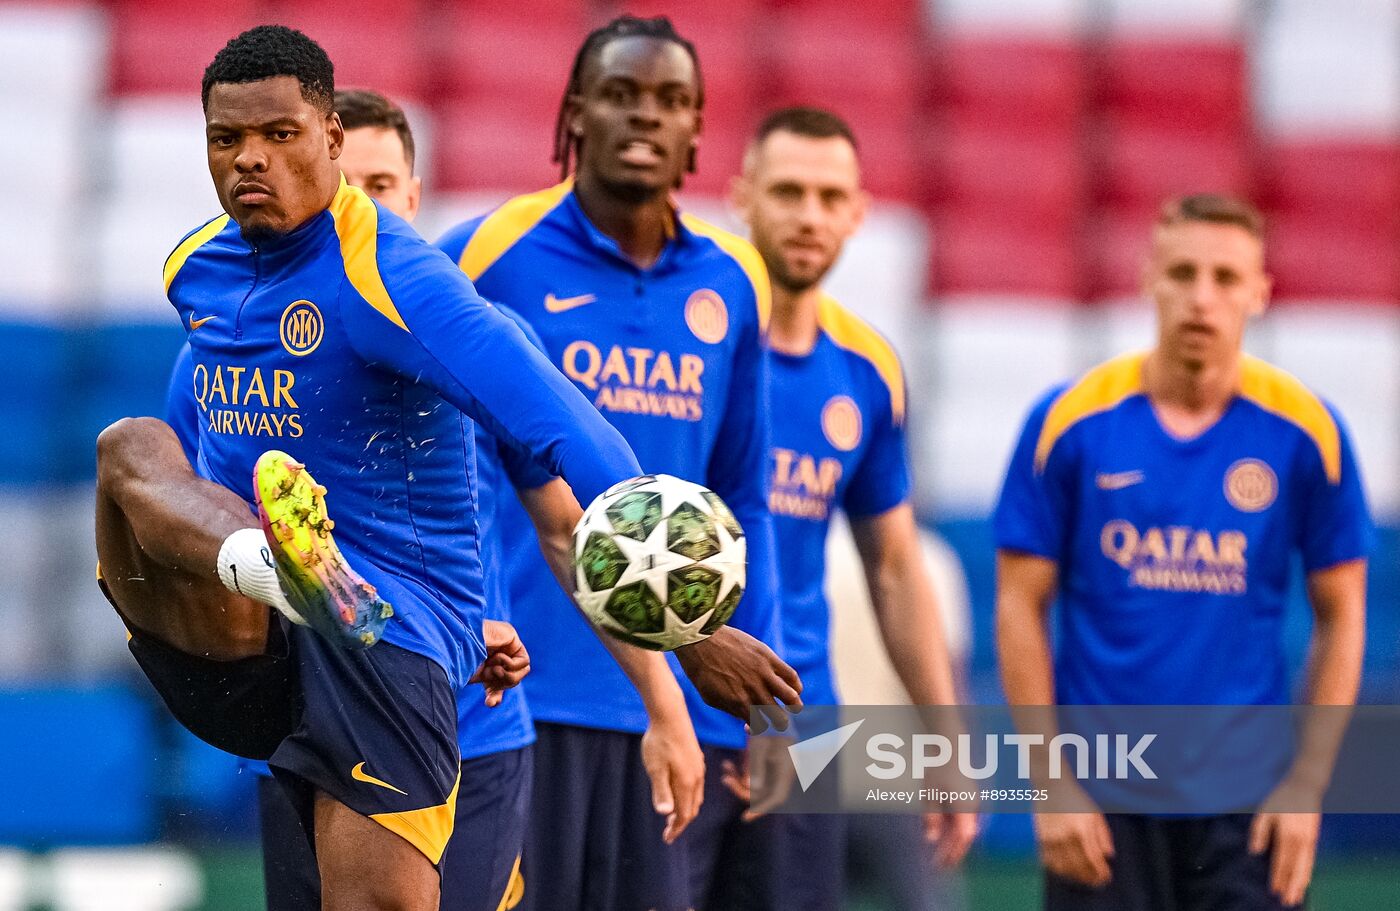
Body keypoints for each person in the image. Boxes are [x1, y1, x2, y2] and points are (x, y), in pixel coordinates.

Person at [97, 25, 700, 911]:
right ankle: (283, 570)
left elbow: (559, 432)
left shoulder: (399, 280)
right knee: (129, 448)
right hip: (272, 641)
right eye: (228, 141)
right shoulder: (201, 273)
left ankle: (307, 578)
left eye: (279, 136)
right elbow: (187, 476)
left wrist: (687, 624)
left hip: (406, 658)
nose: (250, 161)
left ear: (340, 148)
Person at [436, 15, 801, 911]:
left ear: (697, 132)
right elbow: (448, 473)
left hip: (675, 699)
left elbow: (744, 497)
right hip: (516, 696)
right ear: (574, 112)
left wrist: (768, 672)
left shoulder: (733, 283)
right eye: (622, 94)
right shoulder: (486, 256)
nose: (646, 117)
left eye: (671, 101)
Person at [170, 87, 540, 911]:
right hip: (308, 714)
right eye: (346, 186)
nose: (356, 207)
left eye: (380, 186)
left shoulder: (476, 336)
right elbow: (198, 499)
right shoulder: (234, 339)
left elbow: (557, 524)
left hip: (470, 723)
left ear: (414, 197)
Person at [995, 194, 1370, 910]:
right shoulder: (1067, 423)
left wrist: (1307, 786)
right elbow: (1018, 604)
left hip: (1247, 810)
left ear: (1260, 292)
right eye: (1183, 272)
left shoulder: (1307, 432)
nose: (1202, 297)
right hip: (1101, 806)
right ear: (1148, 278)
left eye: (1226, 278)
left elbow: (1343, 611)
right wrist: (1049, 786)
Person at [686, 106, 976, 911]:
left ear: (857, 211)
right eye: (787, 191)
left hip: (803, 732)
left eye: (827, 195)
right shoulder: (688, 337)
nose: (809, 215)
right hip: (676, 708)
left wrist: (947, 746)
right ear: (743, 197)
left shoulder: (868, 369)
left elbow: (894, 570)